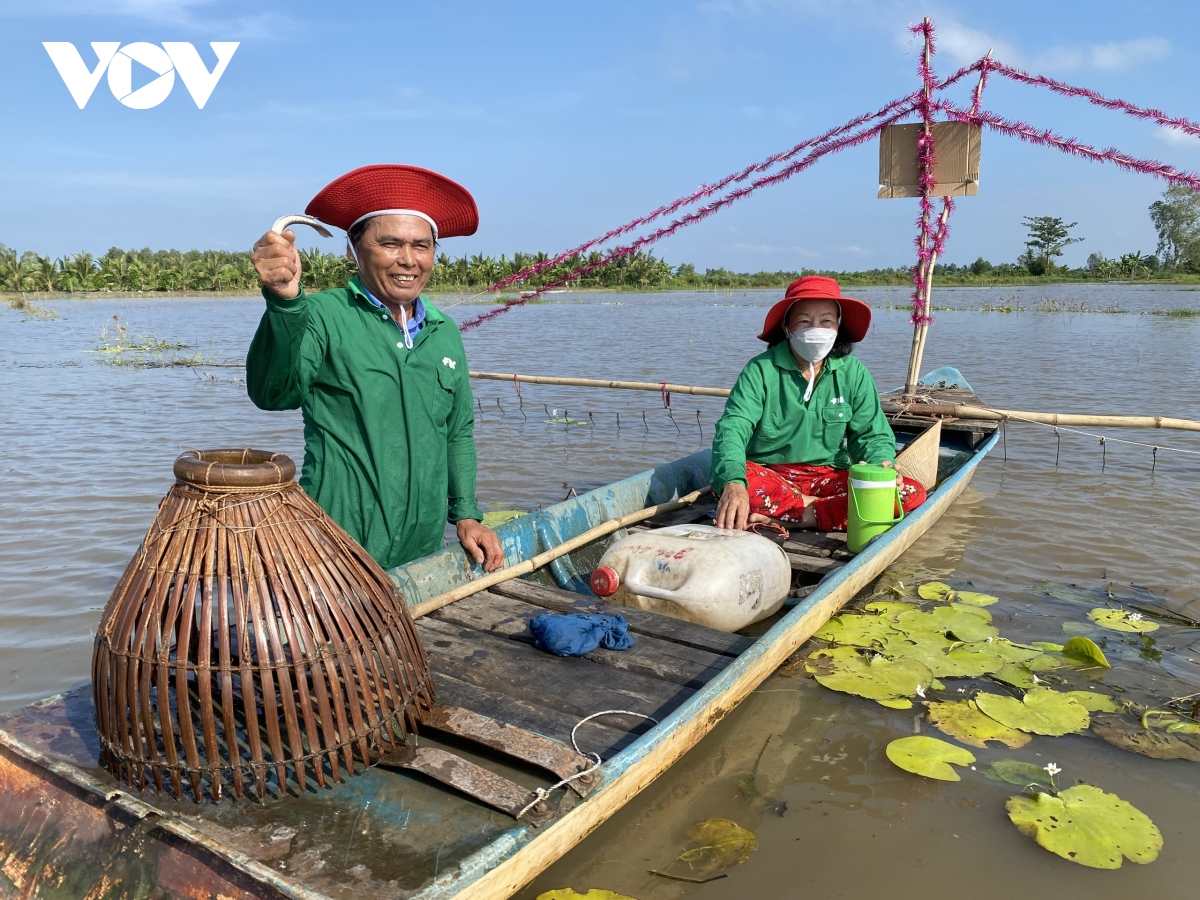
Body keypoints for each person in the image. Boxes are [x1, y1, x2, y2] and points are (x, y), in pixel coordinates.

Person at [246, 164, 504, 572]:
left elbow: (457, 430)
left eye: (421, 246)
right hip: (337, 542)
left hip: (423, 544)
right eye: (389, 244)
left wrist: (467, 516)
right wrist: (283, 303)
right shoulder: (320, 315)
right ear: (353, 249)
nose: (408, 260)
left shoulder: (444, 332)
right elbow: (273, 393)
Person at [711, 275, 926, 533]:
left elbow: (871, 436)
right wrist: (734, 483)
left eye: (826, 321)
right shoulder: (760, 369)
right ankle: (824, 511)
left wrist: (883, 468)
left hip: (827, 475)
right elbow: (733, 429)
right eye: (804, 321)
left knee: (909, 493)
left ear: (838, 327)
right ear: (787, 327)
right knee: (734, 481)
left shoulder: (853, 372)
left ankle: (790, 516)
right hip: (770, 474)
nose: (816, 329)